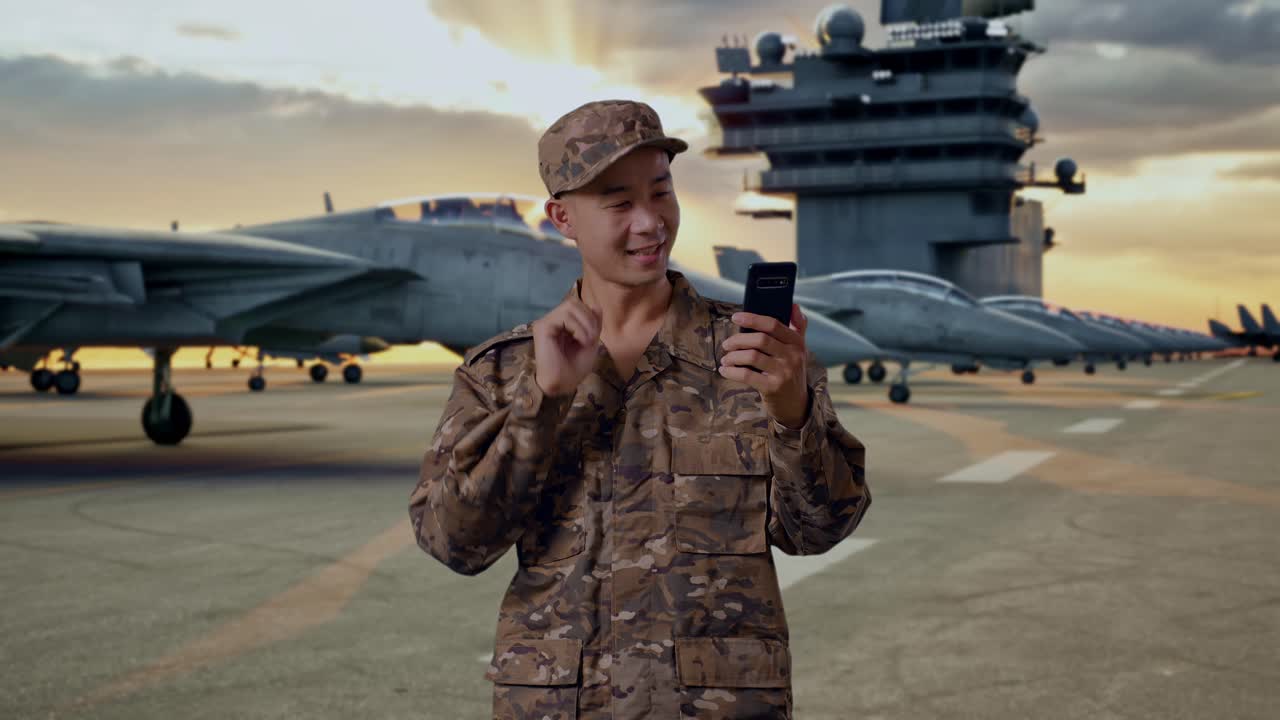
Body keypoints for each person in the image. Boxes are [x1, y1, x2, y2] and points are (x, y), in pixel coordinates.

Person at [408, 99, 870, 719]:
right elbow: (454, 543)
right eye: (620, 203)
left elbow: (820, 529)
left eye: (662, 193)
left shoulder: (753, 352)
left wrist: (791, 412)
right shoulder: (503, 371)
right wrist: (539, 404)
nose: (651, 222)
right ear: (562, 216)